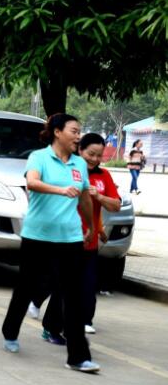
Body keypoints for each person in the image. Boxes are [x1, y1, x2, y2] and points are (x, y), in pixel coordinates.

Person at [0, 114, 99, 373]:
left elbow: (85, 198)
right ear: (57, 132)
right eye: (74, 131)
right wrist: (60, 190)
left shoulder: (79, 163)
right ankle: (10, 330)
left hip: (70, 238)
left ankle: (78, 356)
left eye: (80, 132)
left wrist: (90, 226)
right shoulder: (39, 157)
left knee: (73, 297)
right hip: (38, 236)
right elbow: (31, 182)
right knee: (26, 287)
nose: (78, 136)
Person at [78, 133, 121, 333]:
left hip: (90, 240)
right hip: (64, 237)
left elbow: (116, 205)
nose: (94, 159)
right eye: (91, 154)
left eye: (99, 155)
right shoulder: (69, 171)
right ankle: (38, 304)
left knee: (88, 282)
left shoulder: (104, 176)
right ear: (80, 150)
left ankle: (86, 320)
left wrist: (100, 197)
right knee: (58, 281)